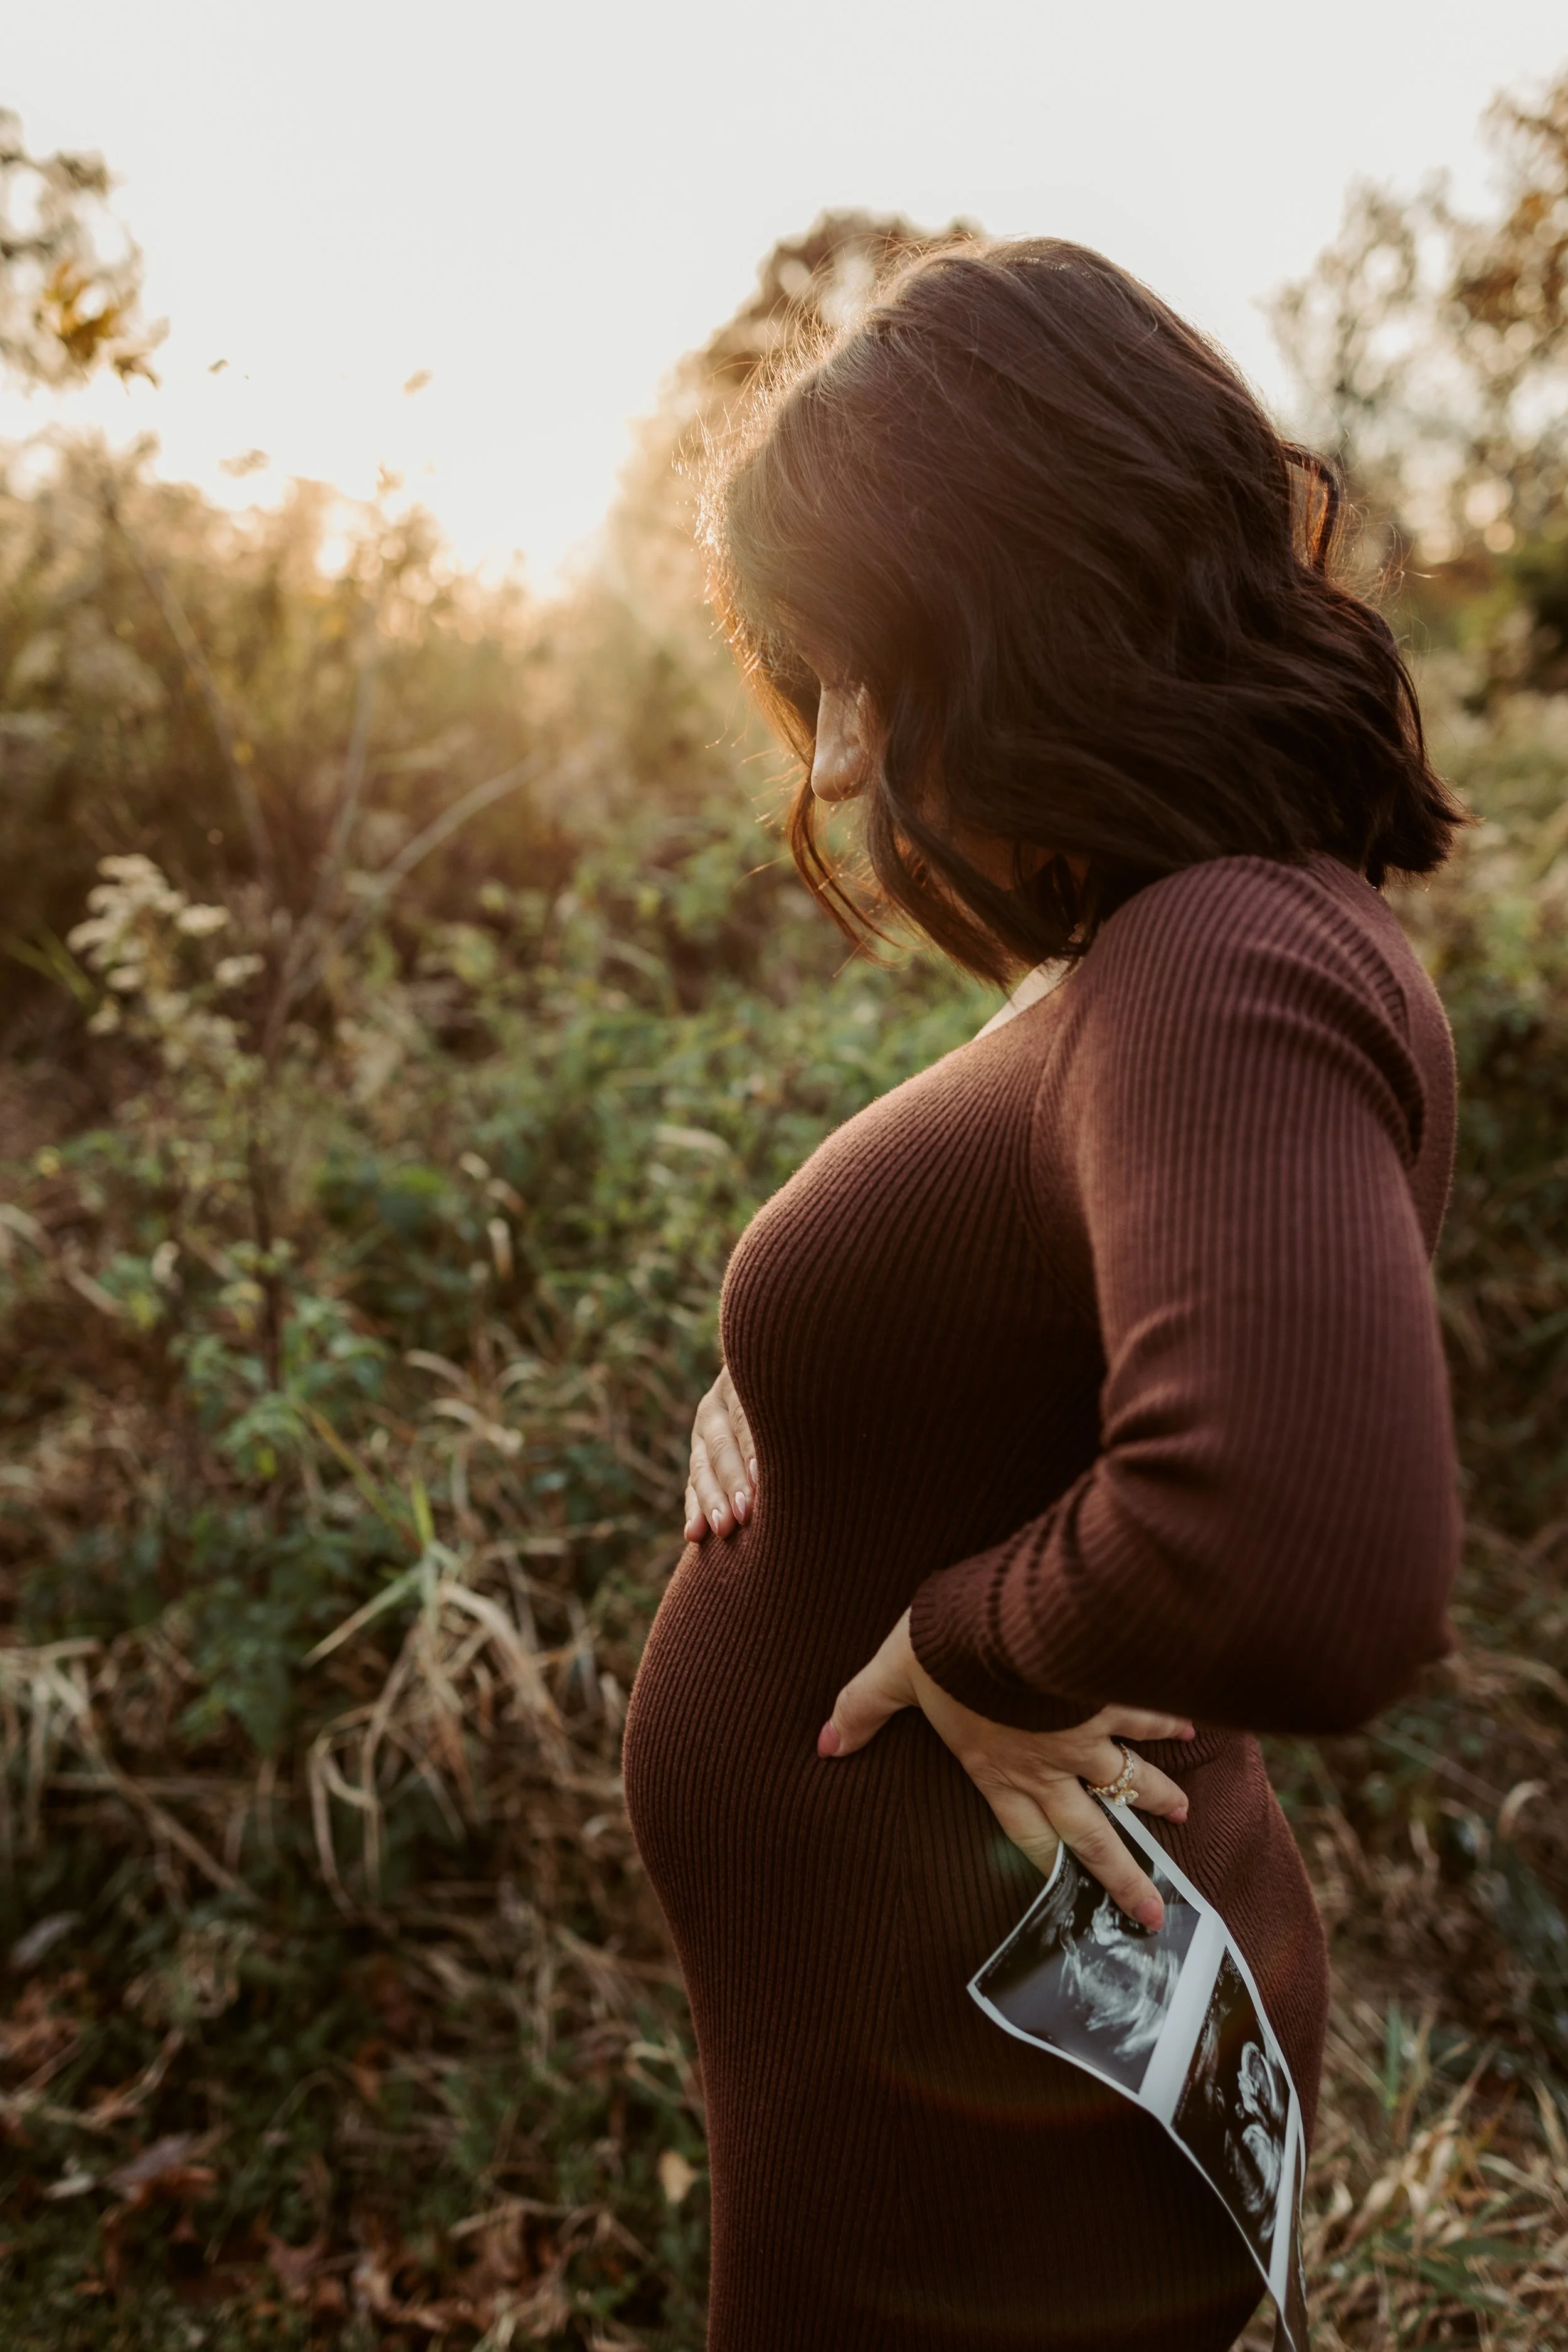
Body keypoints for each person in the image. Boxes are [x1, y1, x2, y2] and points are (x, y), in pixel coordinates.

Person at [622, 236, 1464, 2351]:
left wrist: (974, 1636)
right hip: (961, 2099)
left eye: (848, 681)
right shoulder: (1178, 951)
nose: (819, 773)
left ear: (1018, 621)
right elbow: (1041, 1333)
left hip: (998, 2113)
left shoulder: (1219, 968)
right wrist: (787, 1409)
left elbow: (1297, 1549)